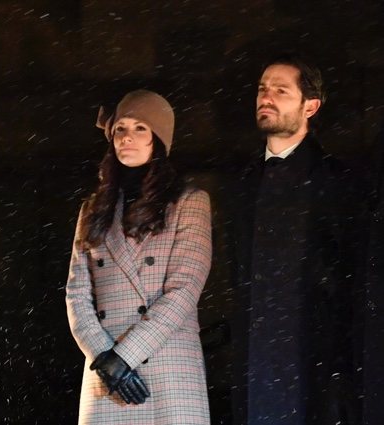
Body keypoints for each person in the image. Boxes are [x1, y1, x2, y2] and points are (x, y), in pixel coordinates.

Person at [229, 53, 363, 424]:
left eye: (281, 91)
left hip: (313, 364)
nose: (266, 97)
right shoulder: (243, 183)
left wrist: (339, 372)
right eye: (262, 89)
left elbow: (349, 282)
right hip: (254, 365)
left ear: (311, 106)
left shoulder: (338, 180)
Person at [65, 89, 212, 424]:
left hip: (166, 368)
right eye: (120, 129)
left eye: (140, 128)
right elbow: (76, 293)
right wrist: (103, 356)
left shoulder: (190, 202)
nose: (127, 137)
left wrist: (125, 356)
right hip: (107, 374)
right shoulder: (93, 209)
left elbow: (184, 290)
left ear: (158, 139)